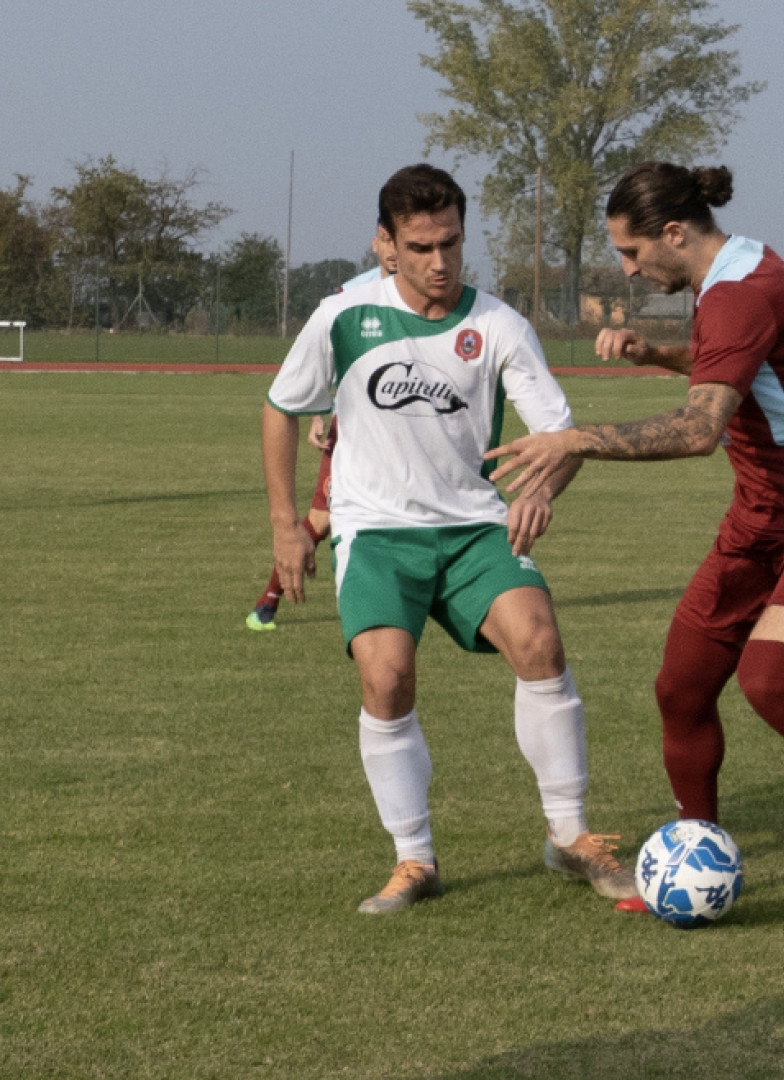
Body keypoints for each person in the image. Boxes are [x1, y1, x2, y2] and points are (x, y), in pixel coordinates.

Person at [485, 162, 784, 934]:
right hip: (757, 522)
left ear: (675, 234)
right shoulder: (737, 274)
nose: (627, 269)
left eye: (630, 252)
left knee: (768, 679)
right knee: (681, 687)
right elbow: (741, 365)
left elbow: (696, 429)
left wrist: (572, 437)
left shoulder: (739, 293)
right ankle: (696, 843)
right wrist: (659, 355)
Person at [261, 163, 635, 913]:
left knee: (539, 641)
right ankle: (414, 860)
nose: (440, 262)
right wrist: (284, 526)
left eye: (452, 244)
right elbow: (280, 409)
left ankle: (570, 837)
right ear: (385, 245)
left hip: (473, 529)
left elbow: (561, 438)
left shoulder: (497, 325)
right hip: (376, 535)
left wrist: (541, 491)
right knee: (388, 680)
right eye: (422, 246)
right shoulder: (343, 315)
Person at [248, 241, 399, 631]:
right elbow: (327, 362)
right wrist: (321, 413)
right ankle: (269, 599)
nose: (397, 251)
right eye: (389, 240)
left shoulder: (435, 297)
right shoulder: (350, 296)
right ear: (378, 242)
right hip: (353, 432)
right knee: (321, 515)